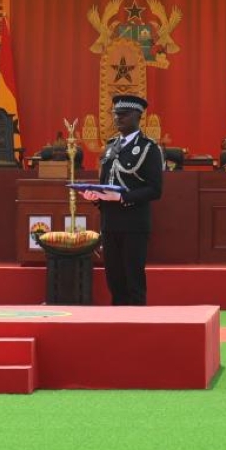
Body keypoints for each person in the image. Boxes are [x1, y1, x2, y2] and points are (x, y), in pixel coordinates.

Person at [84, 95, 163, 306]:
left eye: (124, 115)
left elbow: (155, 189)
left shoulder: (149, 148)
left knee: (133, 279)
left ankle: (137, 325)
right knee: (114, 279)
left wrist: (122, 197)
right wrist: (95, 196)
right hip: (110, 222)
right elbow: (106, 182)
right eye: (116, 114)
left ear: (138, 116)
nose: (118, 119)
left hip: (134, 223)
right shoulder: (111, 146)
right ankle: (117, 323)